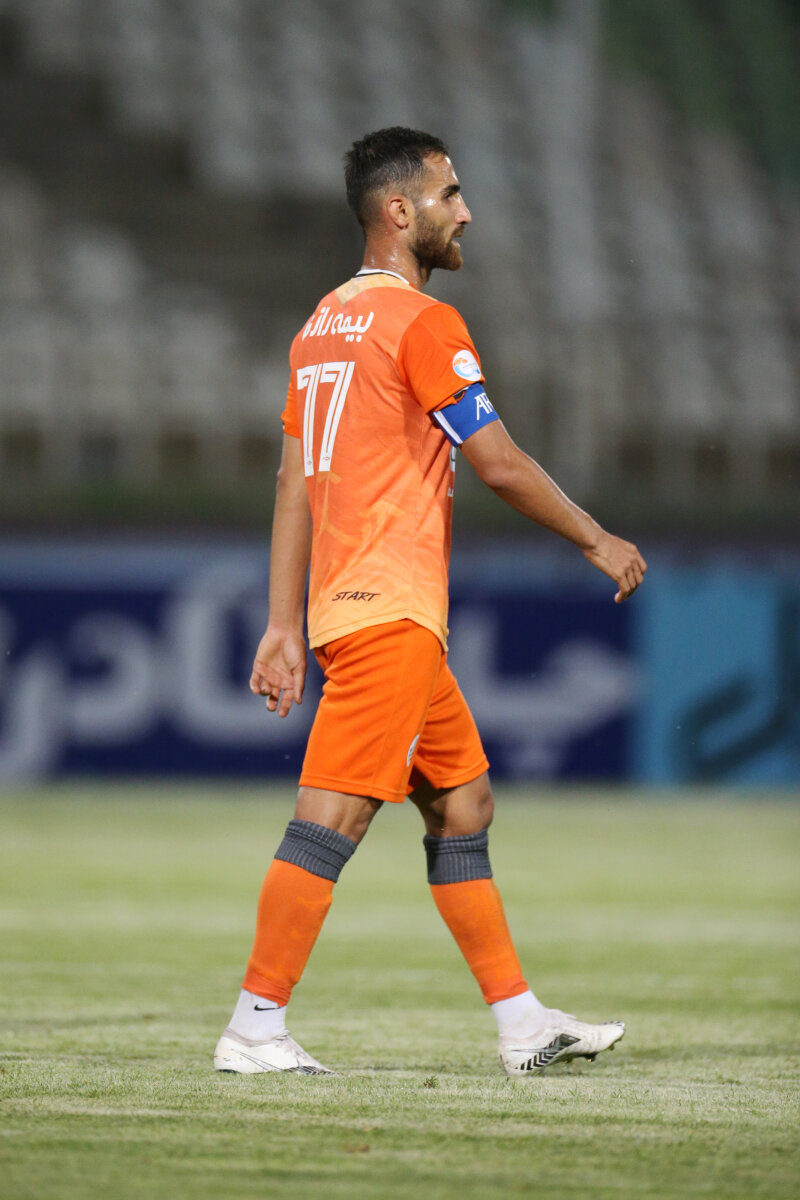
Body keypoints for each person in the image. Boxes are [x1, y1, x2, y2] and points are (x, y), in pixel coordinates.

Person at [213, 127, 646, 1078]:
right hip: (390, 611)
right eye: (450, 194)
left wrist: (284, 623)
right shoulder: (422, 323)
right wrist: (595, 538)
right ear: (399, 210)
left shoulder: (322, 325)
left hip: (353, 608)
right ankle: (254, 1026)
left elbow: (294, 484)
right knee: (330, 820)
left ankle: (522, 1024)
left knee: (462, 804)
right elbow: (498, 462)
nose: (466, 213)